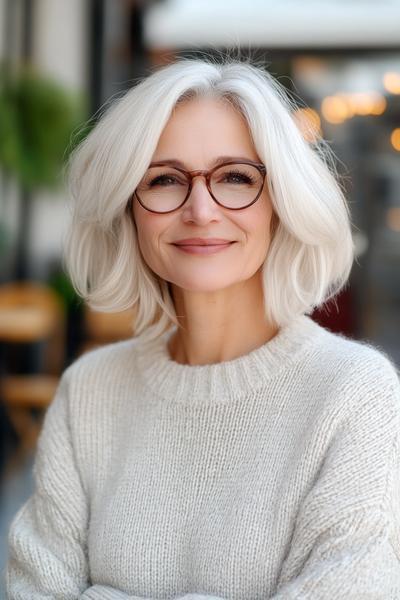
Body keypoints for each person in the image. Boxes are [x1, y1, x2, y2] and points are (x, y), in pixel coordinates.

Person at [5, 56, 400, 599]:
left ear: (280, 205)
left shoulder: (356, 394)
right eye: (165, 179)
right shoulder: (89, 391)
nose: (200, 209)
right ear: (129, 208)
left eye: (235, 177)